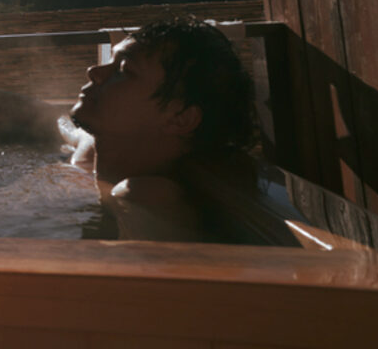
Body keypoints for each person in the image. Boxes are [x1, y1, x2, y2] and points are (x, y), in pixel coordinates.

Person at [65, 18, 257, 241]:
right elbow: (68, 130)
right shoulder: (94, 153)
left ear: (180, 119)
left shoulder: (146, 197)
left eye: (124, 70)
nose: (94, 71)